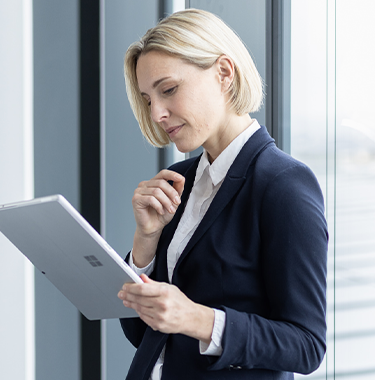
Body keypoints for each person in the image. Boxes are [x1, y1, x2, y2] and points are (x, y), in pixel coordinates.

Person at [115, 9, 328, 380]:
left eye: (168, 89)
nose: (158, 114)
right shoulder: (177, 182)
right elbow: (141, 334)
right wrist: (145, 240)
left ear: (224, 74)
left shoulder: (284, 185)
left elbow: (307, 345)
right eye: (149, 100)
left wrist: (198, 319)